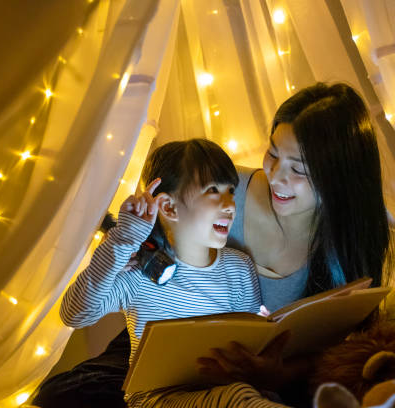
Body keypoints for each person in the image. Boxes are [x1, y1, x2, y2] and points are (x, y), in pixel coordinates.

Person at [35, 82, 392, 407]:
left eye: (298, 169)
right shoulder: (214, 187)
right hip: (157, 365)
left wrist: (272, 373)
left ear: (338, 177)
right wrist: (125, 244)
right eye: (272, 154)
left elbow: (326, 345)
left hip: (250, 376)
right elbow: (88, 303)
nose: (276, 176)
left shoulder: (326, 246)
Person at [33, 139, 262, 407]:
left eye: (231, 191)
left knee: (246, 396)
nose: (230, 205)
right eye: (213, 190)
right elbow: (74, 313)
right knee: (236, 399)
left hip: (220, 391)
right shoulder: (138, 274)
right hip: (157, 399)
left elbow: (251, 340)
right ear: (168, 207)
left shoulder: (239, 268)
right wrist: (122, 240)